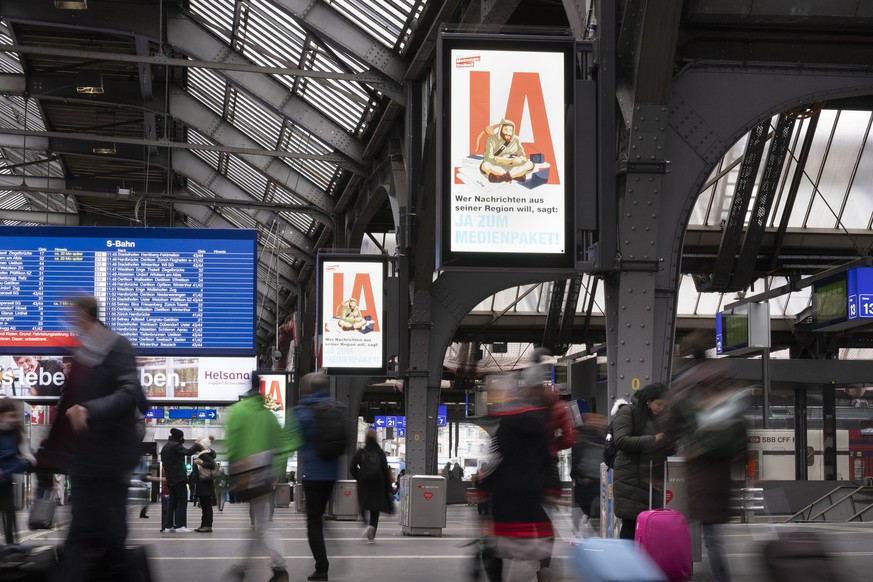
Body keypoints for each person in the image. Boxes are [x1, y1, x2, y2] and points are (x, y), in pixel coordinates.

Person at [39, 295, 147, 581]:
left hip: (111, 463)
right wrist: (48, 459)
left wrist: (90, 410)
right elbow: (67, 409)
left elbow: (130, 393)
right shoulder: (82, 353)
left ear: (87, 315)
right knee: (87, 539)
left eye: (74, 315)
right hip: (87, 464)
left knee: (107, 540)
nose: (71, 321)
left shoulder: (117, 346)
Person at [668, 360, 748, 582]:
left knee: (711, 539)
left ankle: (720, 578)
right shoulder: (730, 407)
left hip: (702, 485)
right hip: (721, 485)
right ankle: (716, 575)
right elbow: (742, 446)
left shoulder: (695, 408)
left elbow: (669, 432)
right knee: (713, 538)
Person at [225, 371, 300, 582]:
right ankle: (247, 567)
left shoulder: (238, 411)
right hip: (265, 475)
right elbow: (280, 445)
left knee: (262, 524)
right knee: (261, 522)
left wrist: (235, 471)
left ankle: (277, 568)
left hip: (246, 473)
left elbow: (233, 444)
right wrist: (276, 472)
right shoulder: (269, 415)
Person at [478, 373, 553, 582]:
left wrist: (483, 487)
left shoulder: (504, 424)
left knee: (496, 546)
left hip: (506, 493)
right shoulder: (538, 422)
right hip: (532, 491)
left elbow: (499, 459)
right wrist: (550, 487)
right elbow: (547, 458)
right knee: (536, 539)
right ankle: (541, 569)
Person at [612, 382, 674, 540]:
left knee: (650, 524)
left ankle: (643, 561)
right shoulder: (627, 411)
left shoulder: (658, 419)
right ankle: (627, 563)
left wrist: (670, 445)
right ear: (648, 400)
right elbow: (622, 440)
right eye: (659, 404)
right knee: (632, 523)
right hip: (630, 477)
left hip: (651, 476)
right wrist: (653, 440)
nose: (661, 409)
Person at [294, 372, 341, 581]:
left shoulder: (303, 411)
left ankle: (322, 568)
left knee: (313, 522)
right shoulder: (337, 407)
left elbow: (296, 440)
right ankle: (326, 551)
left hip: (313, 473)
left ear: (308, 389)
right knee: (319, 516)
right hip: (332, 473)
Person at [0, 398, 35, 545]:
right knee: (8, 510)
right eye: (8, 417)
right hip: (4, 473)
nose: (12, 420)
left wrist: (29, 460)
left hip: (6, 477)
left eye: (13, 416)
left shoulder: (17, 432)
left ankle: (11, 543)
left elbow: (27, 456)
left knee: (9, 510)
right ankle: (11, 542)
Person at [350, 428, 393, 542]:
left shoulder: (361, 452)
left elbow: (352, 468)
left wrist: (359, 476)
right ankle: (372, 528)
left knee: (363, 506)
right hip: (378, 484)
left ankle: (366, 524)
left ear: (366, 439)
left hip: (364, 483)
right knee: (375, 509)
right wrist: (388, 488)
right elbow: (385, 471)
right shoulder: (380, 453)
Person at [159, 427, 203, 533]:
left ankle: (168, 526)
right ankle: (180, 526)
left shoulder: (165, 446)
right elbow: (188, 452)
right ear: (179, 437)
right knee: (182, 502)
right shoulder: (175, 445)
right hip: (178, 479)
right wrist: (196, 444)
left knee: (172, 503)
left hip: (170, 480)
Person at [478, 118, 535, 183]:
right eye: (506, 130)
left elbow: (523, 156)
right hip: (498, 166)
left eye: (510, 130)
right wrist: (502, 160)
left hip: (513, 166)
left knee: (530, 164)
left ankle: (502, 177)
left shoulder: (516, 139)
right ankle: (516, 176)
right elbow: (487, 157)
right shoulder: (491, 139)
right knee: (484, 166)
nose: (508, 133)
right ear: (501, 129)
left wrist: (520, 160)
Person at [193, 439, 217, 533]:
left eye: (200, 445)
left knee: (207, 507)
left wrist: (202, 463)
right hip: (204, 484)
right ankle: (204, 525)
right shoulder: (203, 454)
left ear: (203, 446)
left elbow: (213, 465)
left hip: (205, 485)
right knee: (204, 506)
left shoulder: (205, 455)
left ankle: (208, 525)